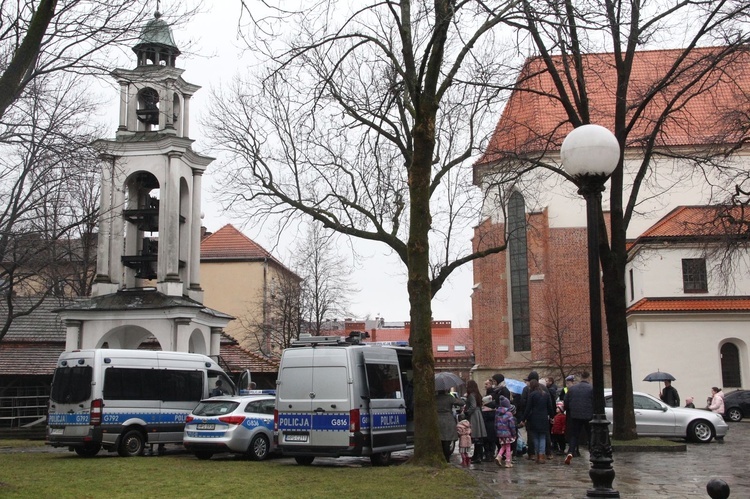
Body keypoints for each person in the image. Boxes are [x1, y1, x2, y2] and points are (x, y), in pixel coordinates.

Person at [564, 370, 593, 464]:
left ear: (580, 378)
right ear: (588, 378)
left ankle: (571, 451)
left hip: (575, 415)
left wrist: (570, 409)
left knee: (574, 435)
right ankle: (592, 452)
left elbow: (566, 402)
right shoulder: (591, 388)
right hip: (588, 415)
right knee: (590, 435)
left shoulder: (572, 389)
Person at [522, 377, 554, 463]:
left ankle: (537, 455)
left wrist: (523, 419)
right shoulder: (545, 394)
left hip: (534, 418)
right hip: (543, 418)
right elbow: (550, 407)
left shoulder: (532, 395)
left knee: (535, 437)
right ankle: (541, 456)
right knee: (543, 437)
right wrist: (552, 416)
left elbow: (528, 408)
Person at [436, 389, 465, 462]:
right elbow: (461, 402)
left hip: (437, 419)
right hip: (448, 419)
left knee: (440, 439)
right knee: (447, 439)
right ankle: (447, 458)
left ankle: (441, 457)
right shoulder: (449, 397)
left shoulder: (434, 398)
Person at [464, 379, 488, 463]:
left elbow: (473, 406)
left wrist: (467, 412)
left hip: (474, 416)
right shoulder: (477, 394)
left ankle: (478, 457)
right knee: (478, 437)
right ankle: (477, 455)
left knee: (476, 436)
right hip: (478, 415)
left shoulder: (471, 395)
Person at [494, 395, 517, 468]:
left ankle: (499, 456)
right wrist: (514, 433)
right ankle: (508, 462)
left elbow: (495, 424)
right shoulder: (509, 414)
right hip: (508, 433)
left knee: (503, 445)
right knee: (508, 447)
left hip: (500, 433)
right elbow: (512, 425)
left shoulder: (497, 413)